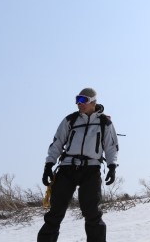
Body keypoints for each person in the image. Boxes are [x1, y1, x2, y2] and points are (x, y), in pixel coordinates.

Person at [37, 88, 119, 242]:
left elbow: (111, 147)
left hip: (91, 170)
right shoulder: (70, 120)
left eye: (83, 100)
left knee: (92, 213)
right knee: (55, 212)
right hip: (67, 168)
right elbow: (57, 144)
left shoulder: (105, 123)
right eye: (77, 99)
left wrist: (112, 166)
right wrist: (48, 165)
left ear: (93, 101)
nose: (79, 103)